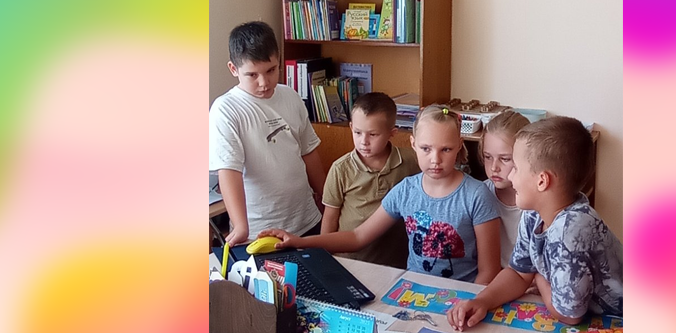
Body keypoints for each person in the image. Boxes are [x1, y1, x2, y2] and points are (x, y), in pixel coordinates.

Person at [259, 105, 502, 284]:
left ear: (459, 144)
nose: (435, 159)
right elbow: (357, 236)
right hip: (414, 293)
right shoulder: (406, 190)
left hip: (462, 297)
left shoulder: (477, 195)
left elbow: (488, 271)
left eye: (446, 149)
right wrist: (299, 241)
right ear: (413, 144)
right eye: (426, 148)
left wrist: (467, 305)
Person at [447, 117, 623, 330]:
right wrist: (482, 301)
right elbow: (518, 273)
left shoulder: (571, 231)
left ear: (542, 181)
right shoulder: (533, 214)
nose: (511, 176)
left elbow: (568, 315)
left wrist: (539, 277)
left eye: (515, 168)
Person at [209, 21, 326, 246]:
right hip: (259, 231)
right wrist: (241, 226)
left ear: (279, 60)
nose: (264, 83)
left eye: (271, 70)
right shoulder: (225, 110)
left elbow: (309, 151)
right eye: (252, 75)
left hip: (306, 220)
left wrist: (327, 198)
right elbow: (229, 171)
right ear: (233, 69)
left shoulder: (290, 96)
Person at [320, 92, 420, 268]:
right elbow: (330, 218)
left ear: (392, 133)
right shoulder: (341, 168)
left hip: (396, 263)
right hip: (350, 261)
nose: (363, 141)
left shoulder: (411, 160)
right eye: (357, 132)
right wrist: (324, 258)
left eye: (373, 134)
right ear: (351, 127)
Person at [479, 110, 531, 267]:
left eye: (505, 159)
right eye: (488, 157)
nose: (494, 167)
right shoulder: (479, 194)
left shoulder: (537, 202)